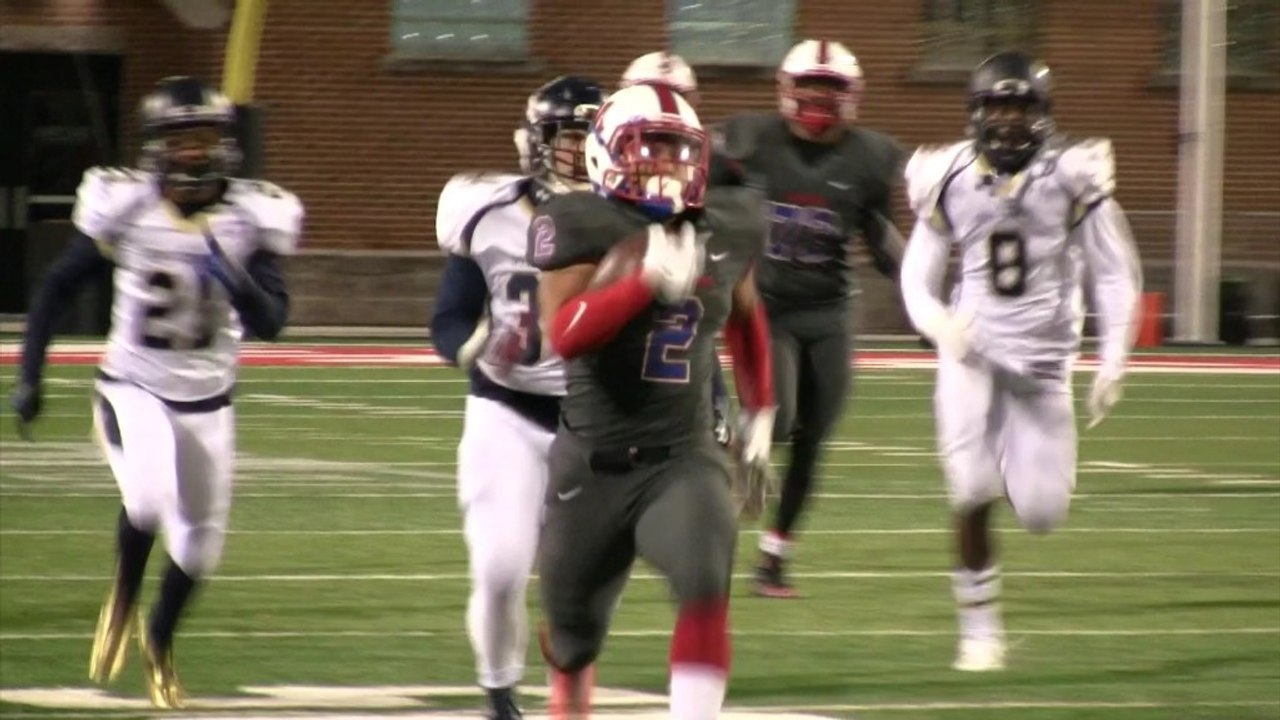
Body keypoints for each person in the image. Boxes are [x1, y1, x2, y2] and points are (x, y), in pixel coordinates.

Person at [9, 75, 303, 708]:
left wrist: (237, 277)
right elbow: (58, 287)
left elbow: (274, 322)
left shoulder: (249, 217)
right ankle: (122, 591)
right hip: (132, 385)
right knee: (146, 499)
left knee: (201, 547)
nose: (193, 152)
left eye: (204, 138)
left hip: (210, 402)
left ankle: (160, 638)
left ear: (225, 145)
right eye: (181, 139)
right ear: (157, 148)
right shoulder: (130, 208)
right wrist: (31, 372)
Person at [528, 83, 774, 718]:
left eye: (675, 149)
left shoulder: (727, 225)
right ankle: (569, 687)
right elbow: (564, 334)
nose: (664, 162)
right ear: (606, 153)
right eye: (648, 148)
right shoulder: (578, 222)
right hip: (592, 463)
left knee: (705, 585)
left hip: (682, 456)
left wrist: (761, 413)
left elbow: (747, 318)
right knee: (573, 636)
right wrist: (641, 284)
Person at [899, 50, 1142, 672]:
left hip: (1044, 360)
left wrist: (1113, 357)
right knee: (970, 489)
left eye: (1020, 107)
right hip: (972, 351)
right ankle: (979, 632)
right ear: (976, 113)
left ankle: (1008, 457)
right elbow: (917, 275)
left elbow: (1113, 273)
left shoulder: (1071, 174)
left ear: (1042, 114)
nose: (1008, 121)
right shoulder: (948, 175)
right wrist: (938, 324)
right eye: (998, 107)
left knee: (1041, 512)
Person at [430, 74, 606, 719]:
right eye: (568, 137)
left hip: (595, 422)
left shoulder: (629, 218)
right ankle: (500, 692)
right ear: (536, 141)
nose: (579, 151)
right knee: (501, 568)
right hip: (505, 410)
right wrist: (469, 346)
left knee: (581, 583)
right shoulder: (489, 212)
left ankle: (569, 688)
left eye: (591, 138)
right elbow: (448, 318)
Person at [708, 39, 906, 597]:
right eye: (810, 87)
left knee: (814, 436)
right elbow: (701, 201)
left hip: (830, 310)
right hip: (766, 306)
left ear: (852, 96)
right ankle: (730, 460)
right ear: (785, 90)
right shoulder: (749, 141)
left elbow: (882, 238)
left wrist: (922, 295)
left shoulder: (869, 157)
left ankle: (773, 558)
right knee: (780, 415)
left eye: (831, 89)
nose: (819, 99)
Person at [619, 51, 736, 450]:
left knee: (688, 318)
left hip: (682, 279)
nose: (664, 107)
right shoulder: (603, 150)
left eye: (677, 97)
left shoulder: (709, 157)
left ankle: (712, 406)